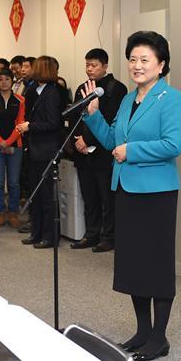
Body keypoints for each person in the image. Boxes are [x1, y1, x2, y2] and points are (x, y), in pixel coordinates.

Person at [81, 31, 181, 361]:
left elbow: (173, 145)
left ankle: (159, 337)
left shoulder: (171, 98)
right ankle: (142, 331)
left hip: (157, 193)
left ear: (161, 64)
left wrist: (133, 151)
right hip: (126, 189)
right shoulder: (128, 100)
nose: (137, 66)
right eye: (132, 59)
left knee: (156, 263)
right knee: (133, 264)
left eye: (144, 60)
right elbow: (113, 141)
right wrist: (93, 115)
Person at [69, 48, 127, 253]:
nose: (89, 69)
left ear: (105, 66)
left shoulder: (116, 88)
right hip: (82, 152)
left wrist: (87, 139)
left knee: (106, 198)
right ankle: (91, 234)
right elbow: (75, 116)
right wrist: (78, 140)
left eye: (94, 65)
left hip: (104, 152)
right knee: (89, 196)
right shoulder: (82, 88)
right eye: (87, 65)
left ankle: (108, 236)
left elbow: (112, 119)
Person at [17, 56, 62, 250]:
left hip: (46, 149)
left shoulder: (53, 92)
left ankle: (49, 236)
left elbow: (54, 122)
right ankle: (36, 232)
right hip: (34, 148)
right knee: (33, 193)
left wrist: (30, 126)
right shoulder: (34, 90)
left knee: (46, 195)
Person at [0, 68, 25, 228]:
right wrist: (1, 142)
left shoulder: (20, 100)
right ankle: (0, 212)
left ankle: (13, 212)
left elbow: (20, 123)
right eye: (0, 79)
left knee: (14, 182)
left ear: (12, 81)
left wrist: (8, 142)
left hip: (15, 145)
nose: (3, 82)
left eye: (7, 79)